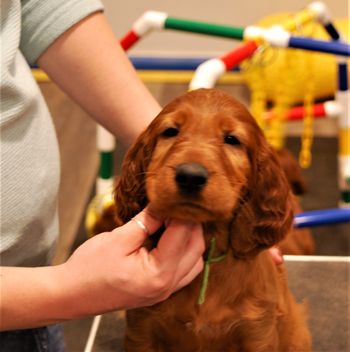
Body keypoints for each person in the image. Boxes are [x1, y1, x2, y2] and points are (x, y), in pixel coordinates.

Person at [0, 1, 283, 350]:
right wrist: (65, 291)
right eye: (171, 133)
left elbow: (45, 6)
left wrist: (58, 292)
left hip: (32, 292)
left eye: (231, 140)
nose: (192, 168)